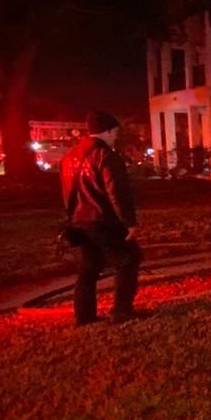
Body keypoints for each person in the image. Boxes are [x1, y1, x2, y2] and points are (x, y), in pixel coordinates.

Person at [60, 110, 143, 326]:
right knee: (129, 259)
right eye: (115, 131)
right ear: (106, 131)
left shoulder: (70, 156)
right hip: (103, 221)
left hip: (79, 221)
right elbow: (116, 191)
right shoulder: (106, 156)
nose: (116, 136)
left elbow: (67, 191)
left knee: (89, 267)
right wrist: (129, 223)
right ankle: (121, 311)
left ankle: (84, 316)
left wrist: (73, 217)